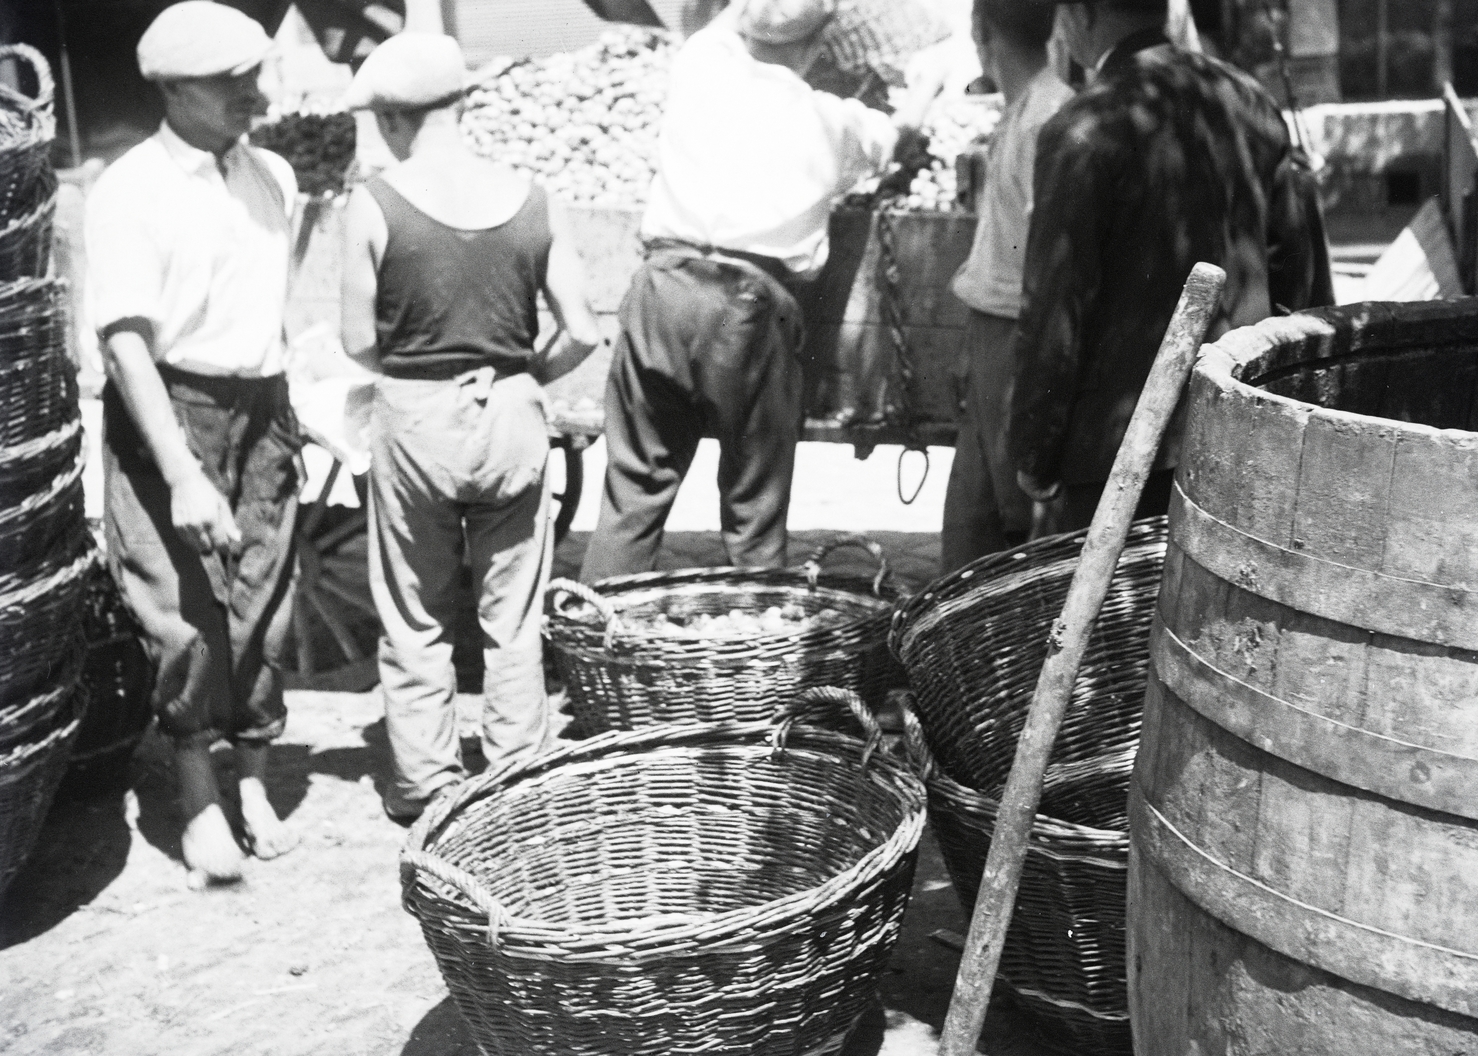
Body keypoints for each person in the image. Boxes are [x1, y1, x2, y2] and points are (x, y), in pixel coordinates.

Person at [578, 0, 941, 583]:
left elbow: (719, 26)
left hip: (662, 290)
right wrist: (923, 88)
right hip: (746, 311)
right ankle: (752, 641)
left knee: (634, 490)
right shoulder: (832, 121)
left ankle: (596, 641)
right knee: (754, 505)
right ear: (818, 50)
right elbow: (896, 135)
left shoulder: (702, 65)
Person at [341, 34, 601, 825]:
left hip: (417, 418)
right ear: (461, 105)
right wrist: (522, 374)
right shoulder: (533, 196)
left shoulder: (374, 203)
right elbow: (583, 329)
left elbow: (357, 342)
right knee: (513, 611)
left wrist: (430, 374)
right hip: (514, 418)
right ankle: (518, 768)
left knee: (415, 613)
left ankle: (427, 783)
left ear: (391, 117)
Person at [86, 1, 303, 887]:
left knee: (264, 592)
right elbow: (125, 340)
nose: (255, 93)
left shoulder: (273, 176)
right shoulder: (129, 189)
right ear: (175, 88)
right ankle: (197, 785)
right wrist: (178, 469)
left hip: (262, 405)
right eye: (232, 82)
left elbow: (268, 306)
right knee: (179, 605)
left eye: (257, 73)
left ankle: (253, 776)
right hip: (168, 407)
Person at [1012, 0, 1333, 534]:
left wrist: (1033, 454)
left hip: (1118, 463)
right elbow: (1294, 276)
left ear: (1080, 16)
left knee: (1119, 616)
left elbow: (1055, 310)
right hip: (1236, 428)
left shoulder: (1082, 128)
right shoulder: (1248, 101)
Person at [940, 0, 1071, 573]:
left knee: (1014, 519)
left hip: (1017, 337)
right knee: (973, 518)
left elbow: (1044, 271)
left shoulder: (1046, 117)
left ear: (978, 29)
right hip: (996, 333)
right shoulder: (1033, 107)